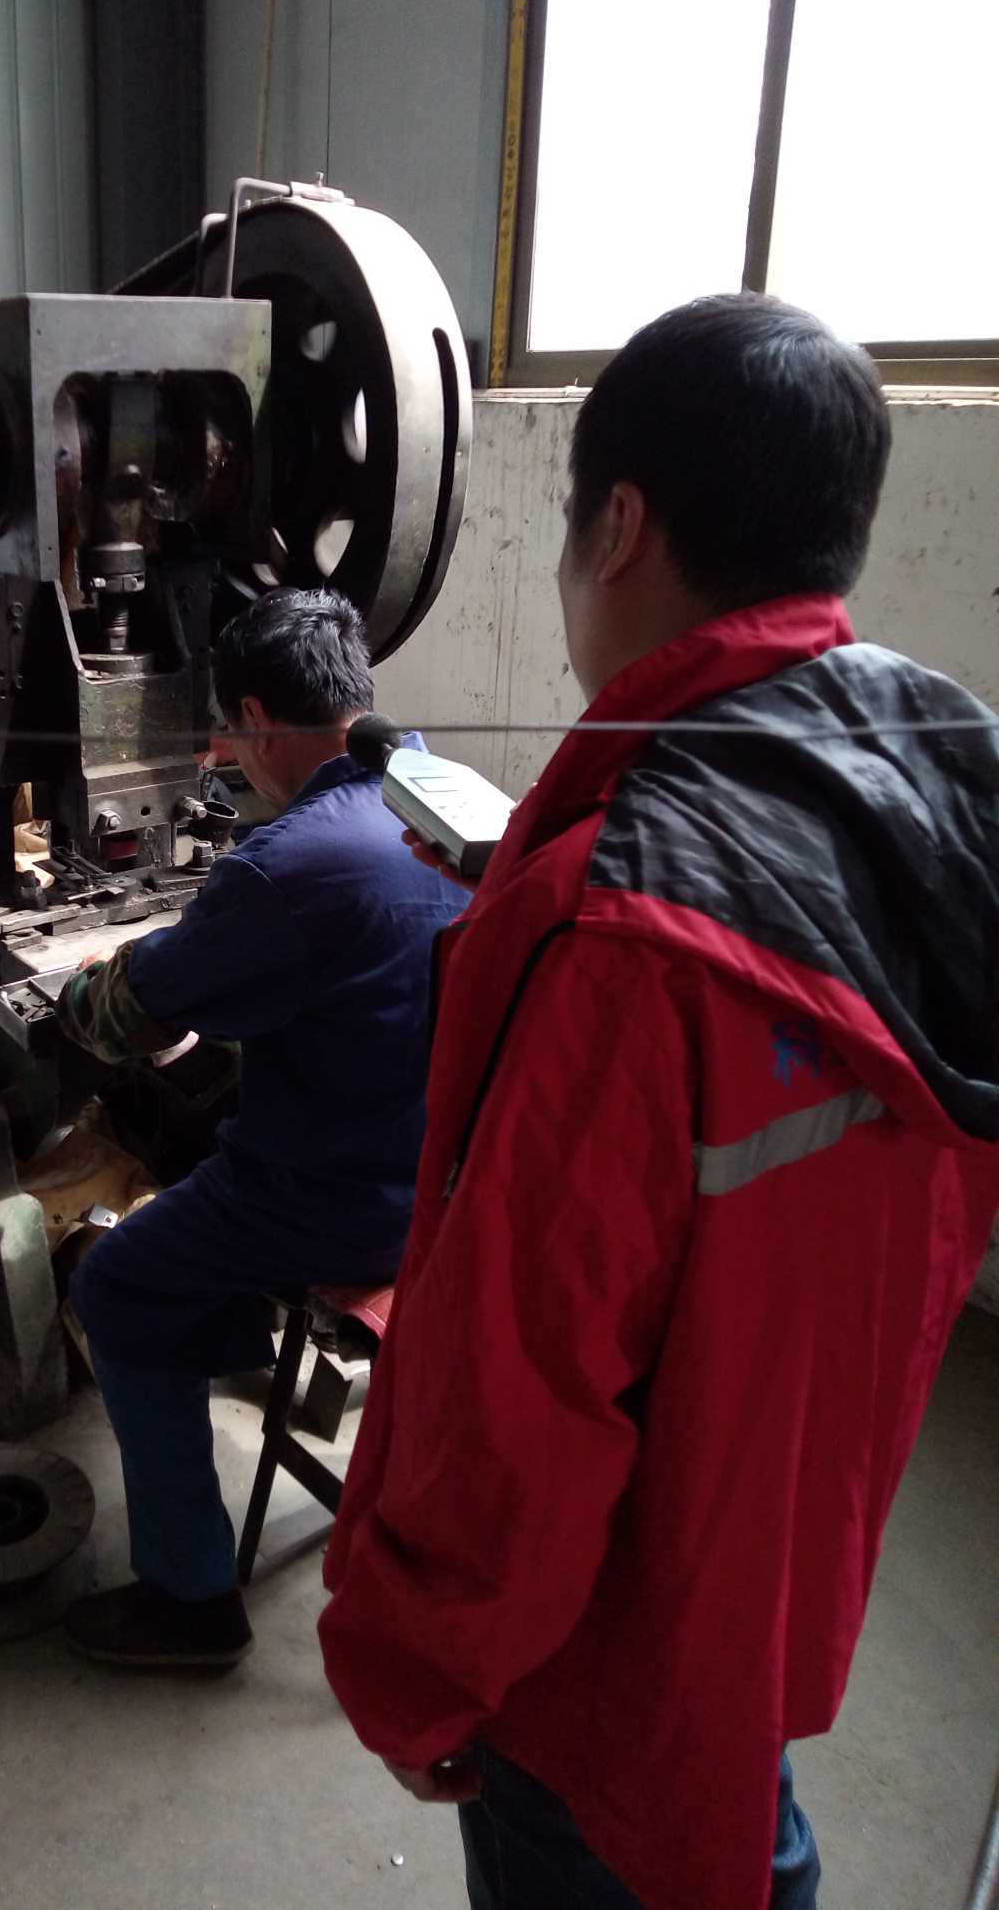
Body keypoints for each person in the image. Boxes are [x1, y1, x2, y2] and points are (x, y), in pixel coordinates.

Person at [317, 294, 999, 1909]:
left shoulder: (620, 926)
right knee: (740, 1821)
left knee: (630, 1832)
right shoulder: (942, 785)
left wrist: (419, 1665)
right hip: (784, 1559)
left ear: (616, 527)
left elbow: (519, 1384)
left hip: (589, 1658)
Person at [54, 586, 469, 1668]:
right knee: (213, 1129)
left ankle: (187, 1602)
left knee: (118, 1281)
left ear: (252, 717)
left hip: (336, 1207)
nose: (228, 757)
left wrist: (88, 981)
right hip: (460, 1195)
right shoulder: (453, 803)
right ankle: (225, 1340)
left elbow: (127, 1018)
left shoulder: (285, 867)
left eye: (229, 737)